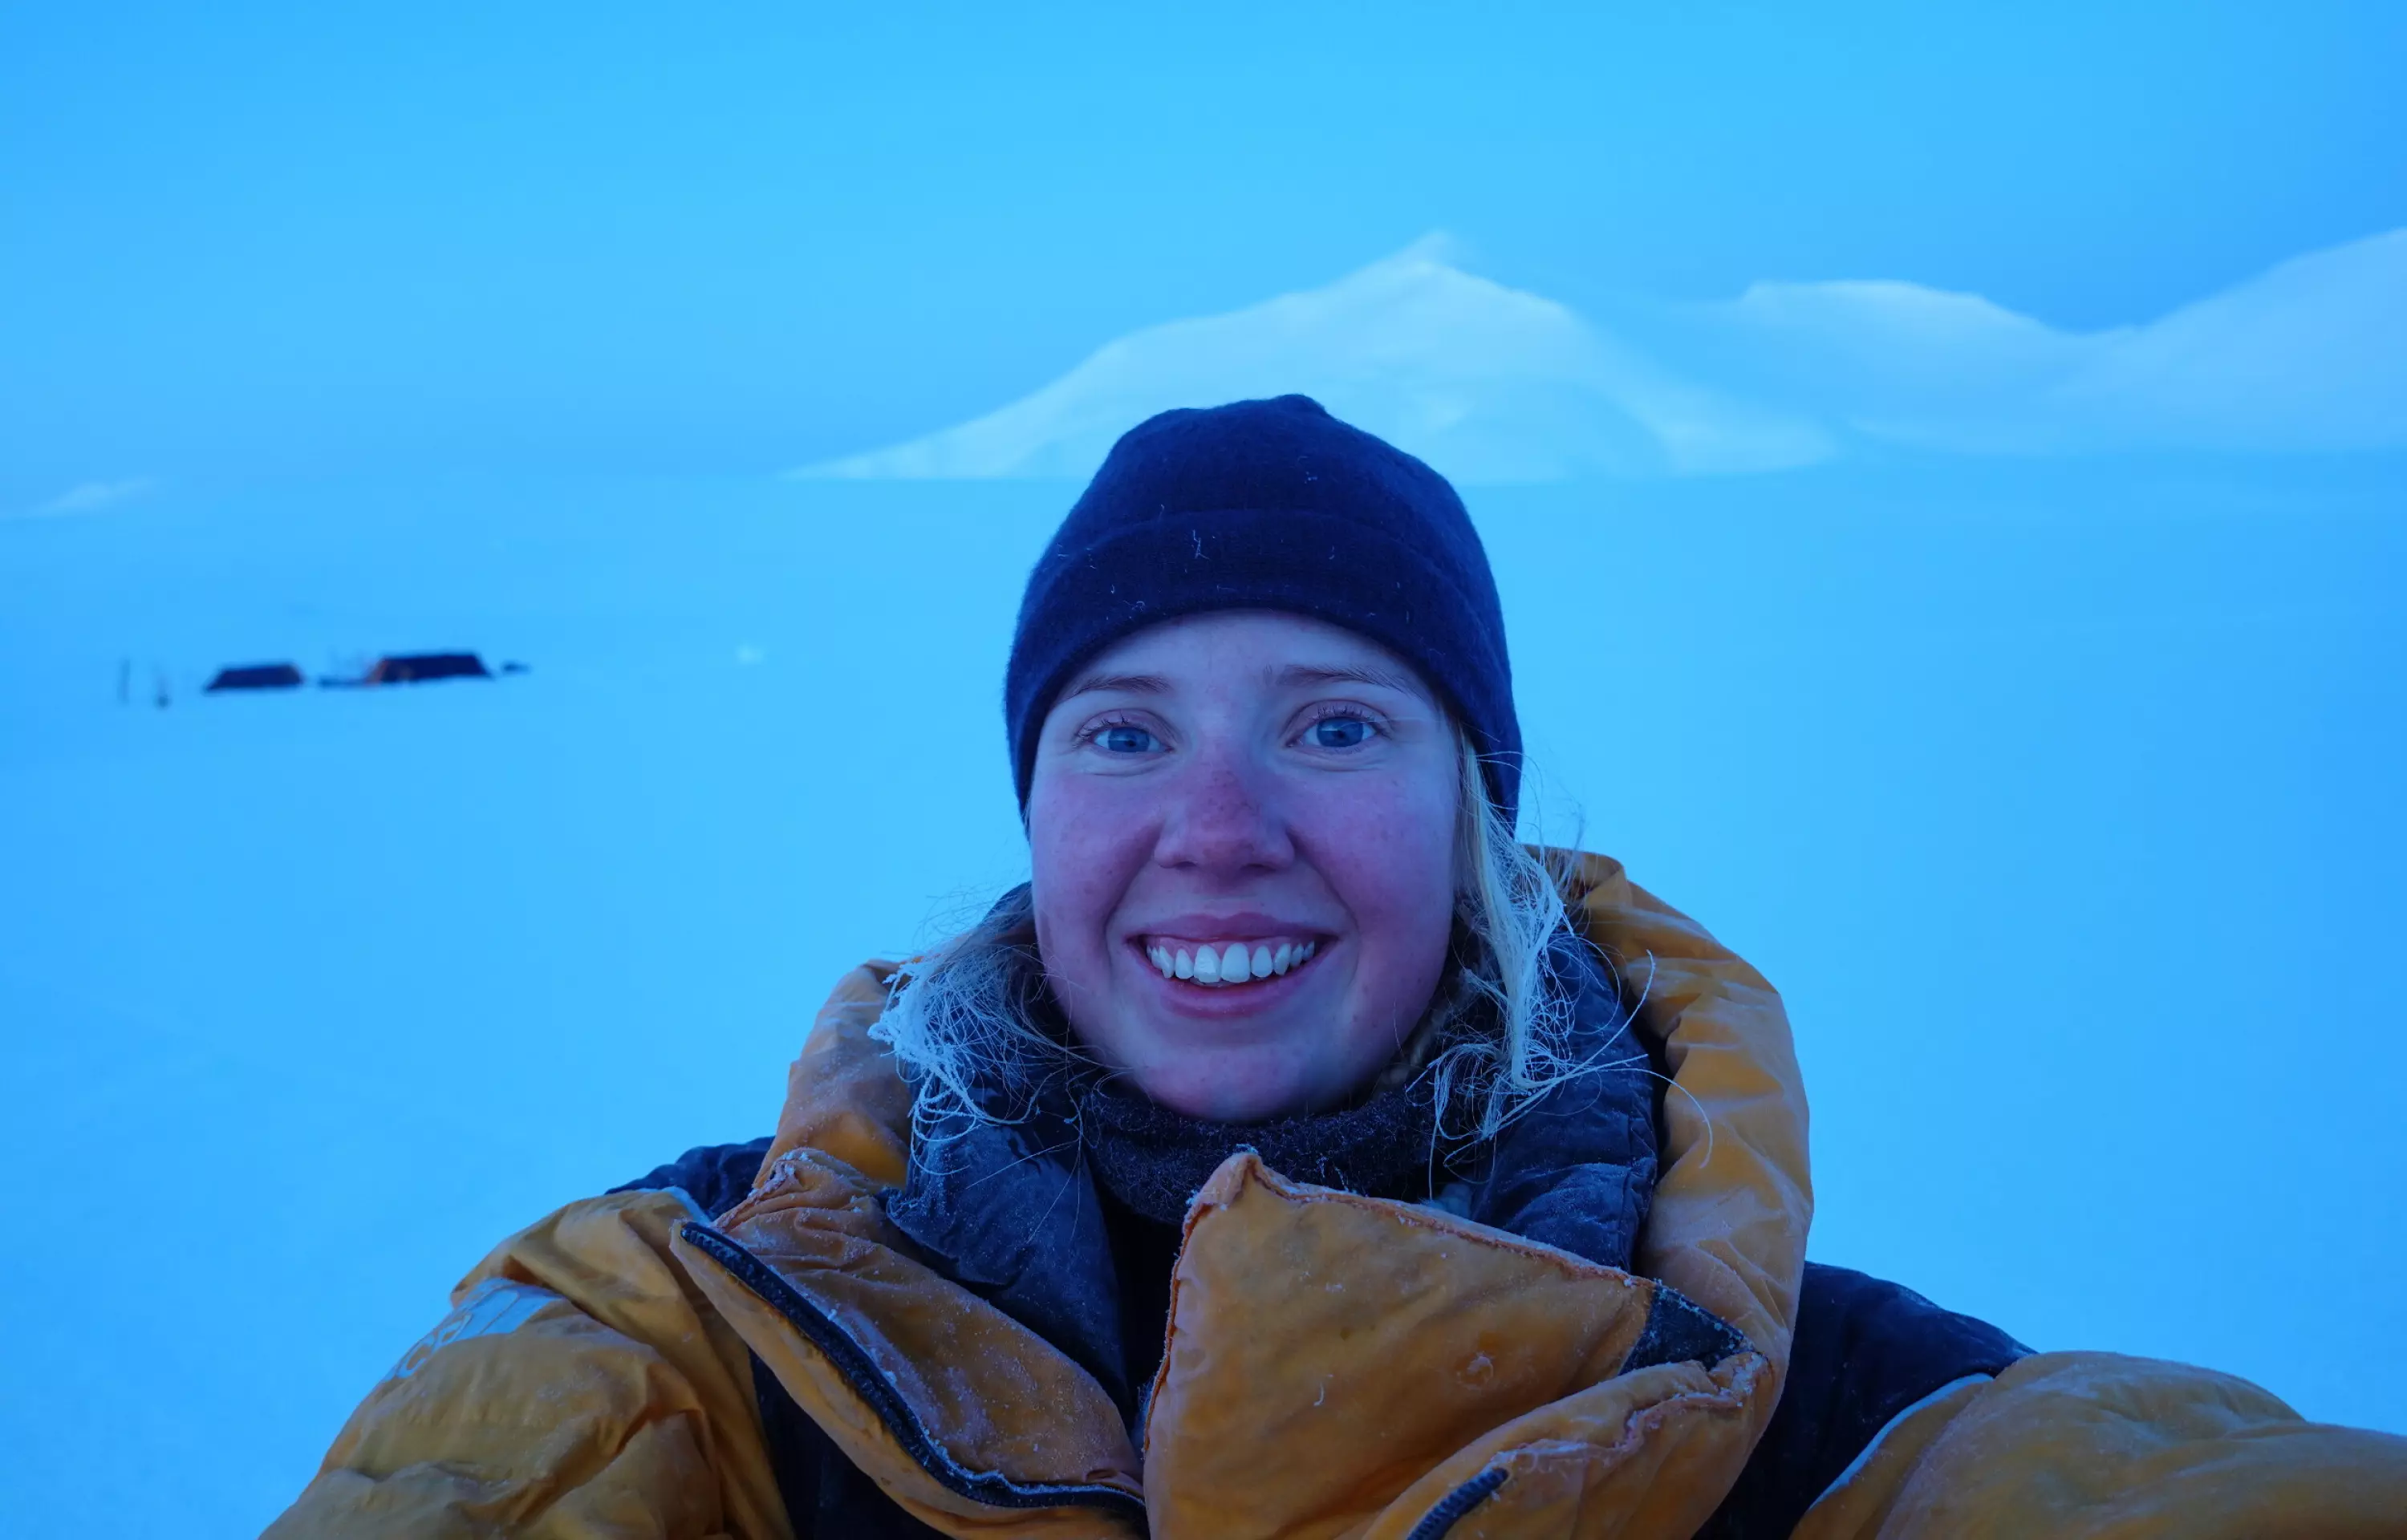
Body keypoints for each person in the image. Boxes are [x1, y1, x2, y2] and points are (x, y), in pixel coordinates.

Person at [269, 397, 2407, 1539]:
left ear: (1474, 815)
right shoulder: (717, 1315)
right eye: (1124, 733)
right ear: (1035, 815)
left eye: (1333, 725)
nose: (1217, 828)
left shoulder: (1799, 1408)